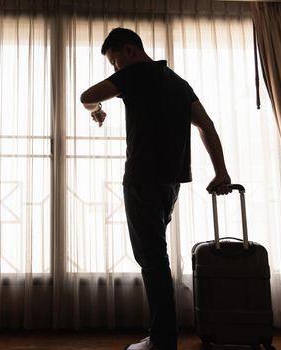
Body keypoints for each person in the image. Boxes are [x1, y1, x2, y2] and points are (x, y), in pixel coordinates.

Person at [80, 28, 232, 350]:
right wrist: (221, 171)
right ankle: (162, 337)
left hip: (141, 179)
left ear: (129, 50)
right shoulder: (178, 83)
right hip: (169, 182)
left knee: (151, 260)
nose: (115, 69)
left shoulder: (135, 74)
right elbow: (207, 126)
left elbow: (86, 97)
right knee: (155, 258)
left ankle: (162, 341)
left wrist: (97, 111)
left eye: (115, 61)